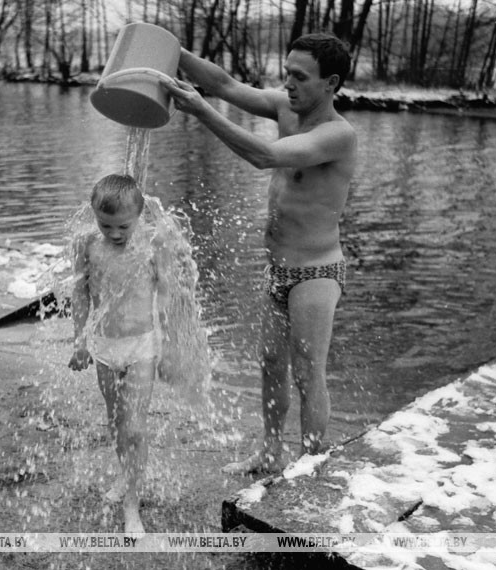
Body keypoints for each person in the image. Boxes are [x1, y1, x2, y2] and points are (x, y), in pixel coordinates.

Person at [163, 33, 357, 473]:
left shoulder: (338, 135)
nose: (288, 83)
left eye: (299, 77)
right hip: (278, 269)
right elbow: (227, 85)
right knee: (271, 363)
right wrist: (172, 50)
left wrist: (199, 109)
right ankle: (270, 452)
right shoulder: (285, 107)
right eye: (286, 72)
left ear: (331, 83)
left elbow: (266, 156)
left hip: (317, 271)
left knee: (308, 374)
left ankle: (311, 465)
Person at [68, 174, 168, 535]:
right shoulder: (87, 243)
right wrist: (80, 340)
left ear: (139, 215)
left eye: (122, 225)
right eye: (104, 224)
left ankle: (132, 506)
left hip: (142, 344)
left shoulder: (153, 243)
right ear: (93, 215)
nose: (113, 233)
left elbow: (171, 296)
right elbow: (79, 293)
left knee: (135, 427)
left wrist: (169, 347)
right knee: (115, 421)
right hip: (105, 347)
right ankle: (125, 476)